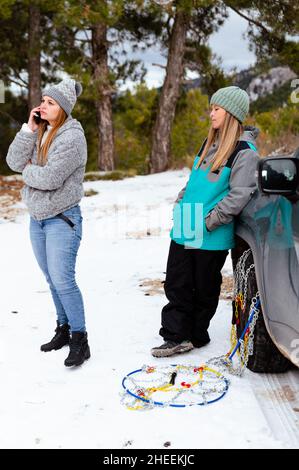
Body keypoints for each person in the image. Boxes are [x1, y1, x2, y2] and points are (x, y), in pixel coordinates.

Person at [151, 85, 260, 358]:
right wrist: (180, 204)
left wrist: (211, 221)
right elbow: (194, 182)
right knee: (176, 282)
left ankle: (195, 334)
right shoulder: (209, 143)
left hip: (210, 230)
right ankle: (176, 335)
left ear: (231, 113)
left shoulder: (245, 151)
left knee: (204, 287)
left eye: (217, 109)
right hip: (187, 223)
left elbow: (239, 196)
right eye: (211, 108)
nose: (211, 114)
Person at [6, 78, 90, 367]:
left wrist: (29, 173)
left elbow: (52, 178)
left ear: (63, 108)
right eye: (42, 100)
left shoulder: (72, 137)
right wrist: (28, 129)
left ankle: (81, 339)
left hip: (62, 219)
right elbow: (14, 162)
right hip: (38, 218)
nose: (42, 105)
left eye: (50, 102)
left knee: (64, 280)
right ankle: (63, 329)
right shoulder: (39, 132)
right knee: (51, 280)